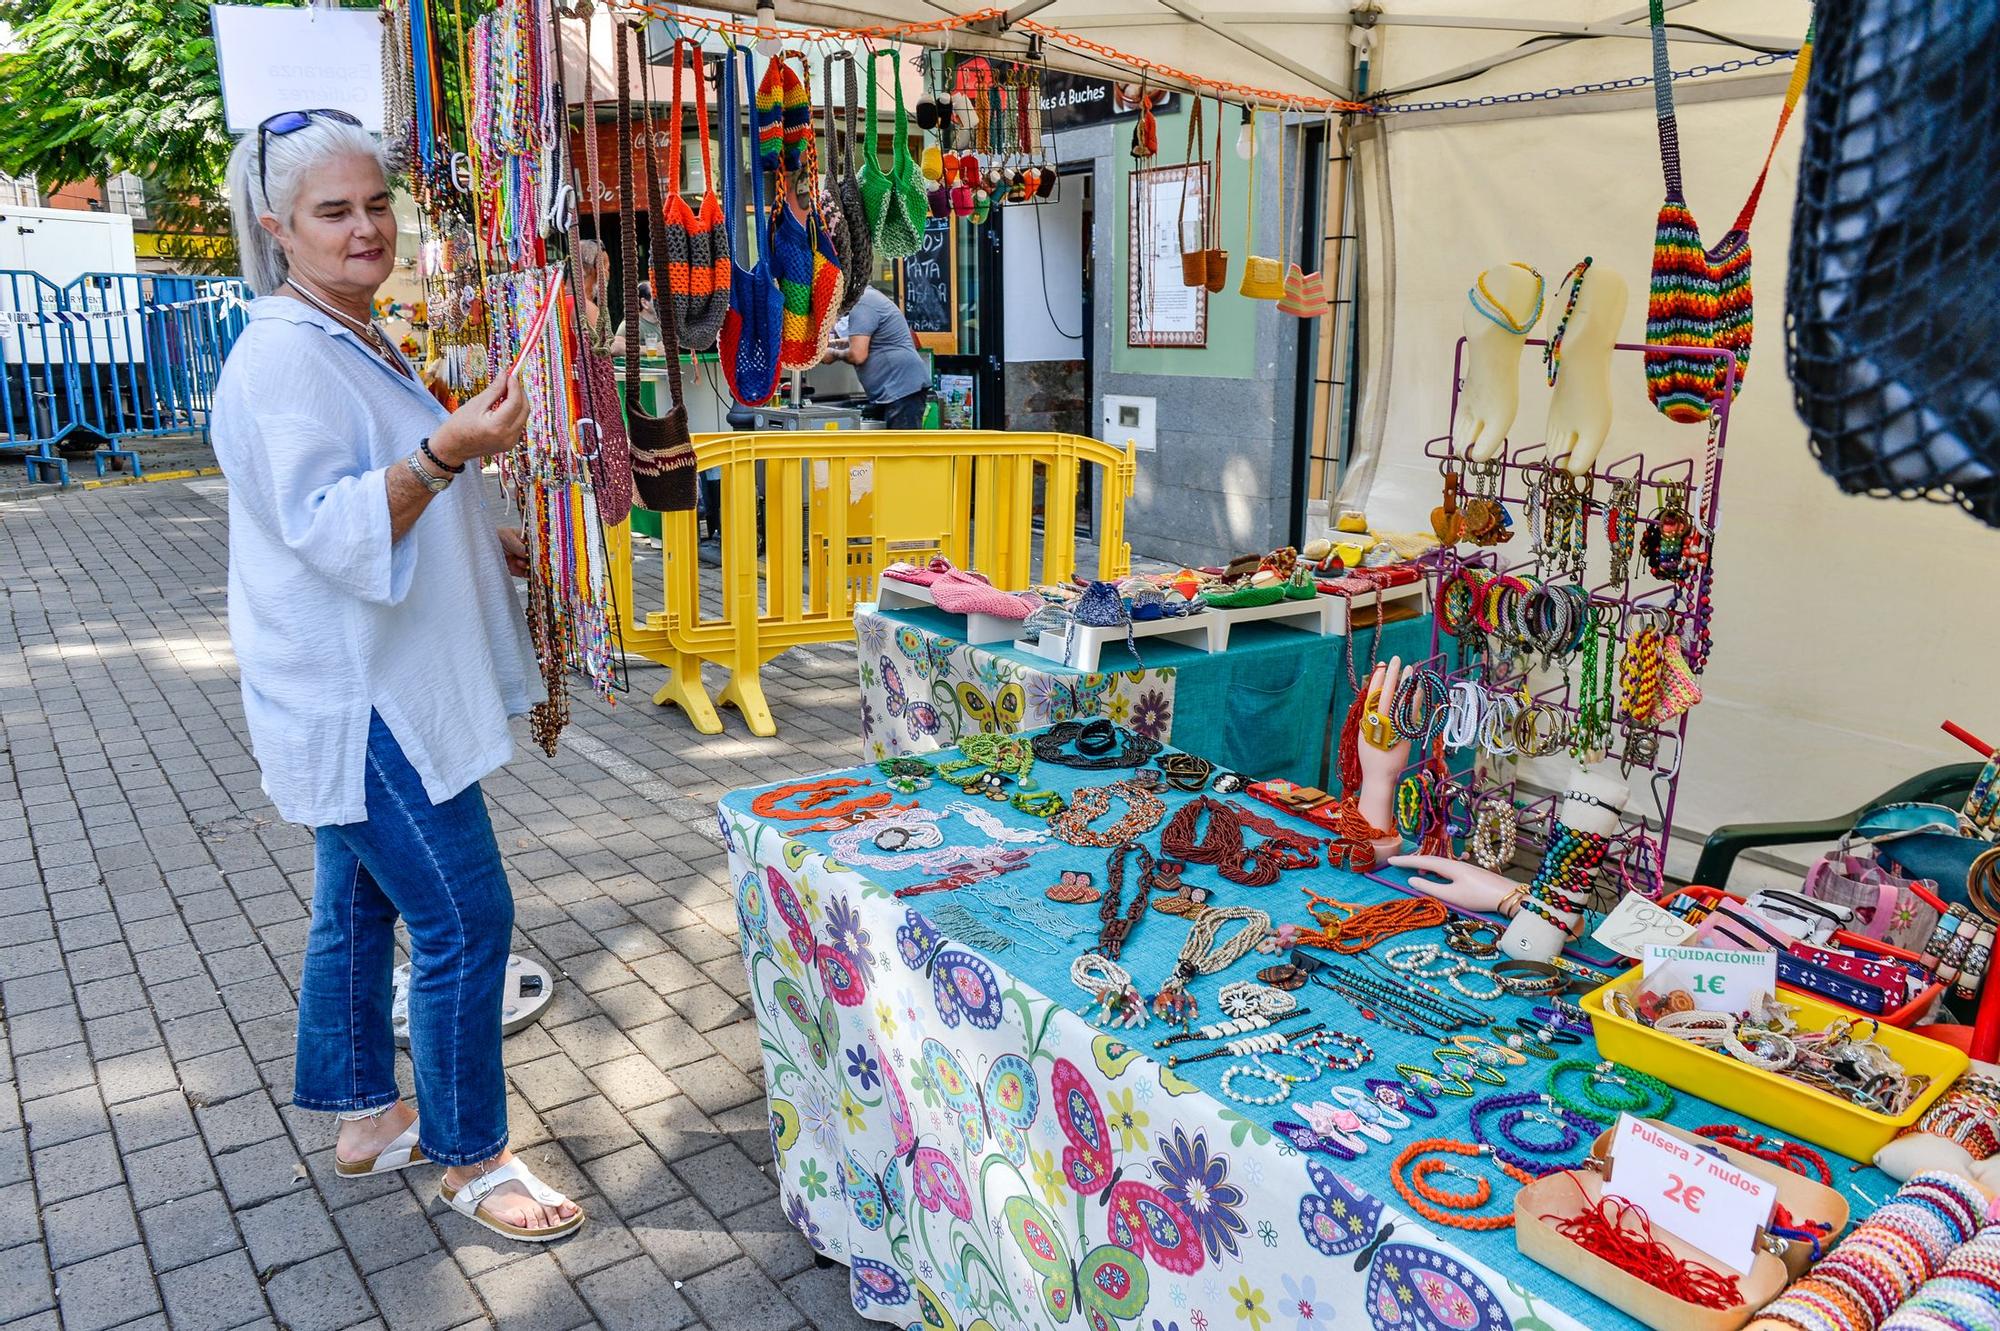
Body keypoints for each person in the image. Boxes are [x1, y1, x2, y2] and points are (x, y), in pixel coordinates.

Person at [215, 110, 584, 1242]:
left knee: (357, 900)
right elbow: (330, 525)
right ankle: (474, 1155)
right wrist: (445, 456)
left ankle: (368, 1114)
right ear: (280, 229)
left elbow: (375, 492)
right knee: (469, 918)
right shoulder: (284, 354)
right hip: (358, 697)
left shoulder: (350, 331)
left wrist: (484, 531)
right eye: (335, 211)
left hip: (365, 677)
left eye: (377, 202)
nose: (366, 227)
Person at [824, 283, 931, 428]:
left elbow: (857, 354)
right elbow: (863, 339)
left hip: (901, 387)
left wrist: (833, 354)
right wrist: (832, 343)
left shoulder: (862, 303)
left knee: (901, 448)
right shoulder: (868, 299)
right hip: (894, 390)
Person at [576, 237, 613, 353]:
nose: (607, 274)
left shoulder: (559, 300)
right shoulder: (589, 310)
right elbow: (600, 353)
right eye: (605, 268)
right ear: (593, 269)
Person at [613, 278, 662, 351]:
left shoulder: (665, 325)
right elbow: (615, 348)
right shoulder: (631, 324)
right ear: (644, 303)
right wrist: (652, 349)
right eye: (656, 297)